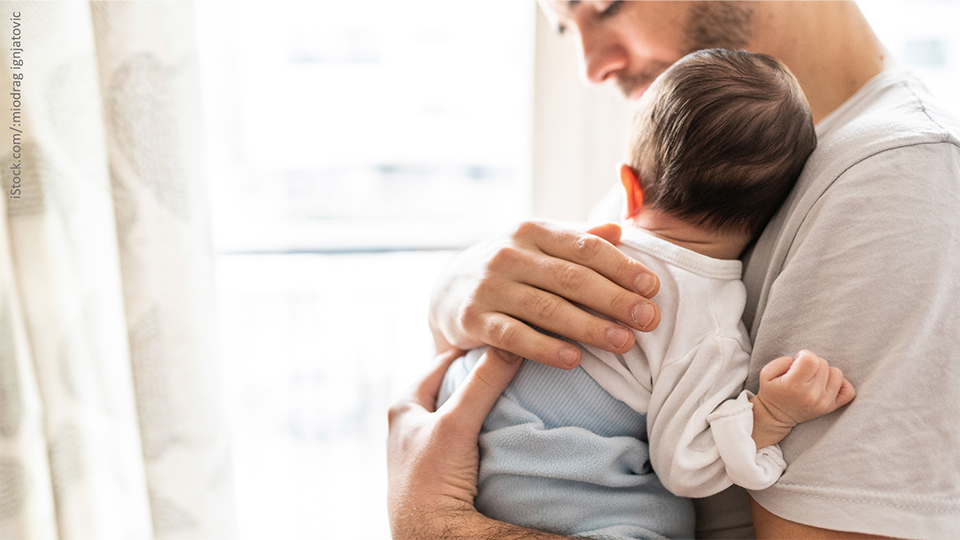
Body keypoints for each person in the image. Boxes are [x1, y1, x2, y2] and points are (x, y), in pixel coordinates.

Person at [389, 2, 960, 539]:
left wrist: (437, 524)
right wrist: (454, 294)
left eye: (607, 5)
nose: (591, 66)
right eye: (566, 27)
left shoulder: (898, 182)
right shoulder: (704, 159)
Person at [433, 48, 855, 540]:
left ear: (629, 187)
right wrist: (772, 415)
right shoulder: (708, 326)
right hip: (559, 498)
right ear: (772, 214)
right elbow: (689, 465)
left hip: (463, 449)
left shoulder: (570, 249)